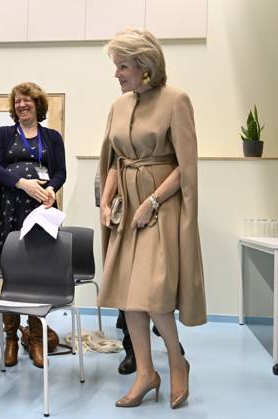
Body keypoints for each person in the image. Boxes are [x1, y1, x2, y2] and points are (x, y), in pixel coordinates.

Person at [98, 28, 205, 409]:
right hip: (127, 210)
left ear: (144, 66)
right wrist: (106, 200)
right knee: (129, 299)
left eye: (122, 66)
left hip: (160, 208)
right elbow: (116, 161)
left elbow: (184, 166)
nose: (117, 74)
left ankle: (177, 362)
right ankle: (146, 372)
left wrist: (154, 202)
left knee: (156, 296)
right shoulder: (119, 105)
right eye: (116, 66)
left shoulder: (176, 100)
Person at [0, 82, 66, 368]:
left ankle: (35, 339)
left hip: (40, 209)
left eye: (27, 101)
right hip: (7, 208)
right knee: (12, 271)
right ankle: (10, 337)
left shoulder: (52, 137)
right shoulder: (3, 134)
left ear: (38, 104)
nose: (21, 105)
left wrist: (52, 189)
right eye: (18, 101)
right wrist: (22, 183)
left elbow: (60, 172)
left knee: (37, 273)